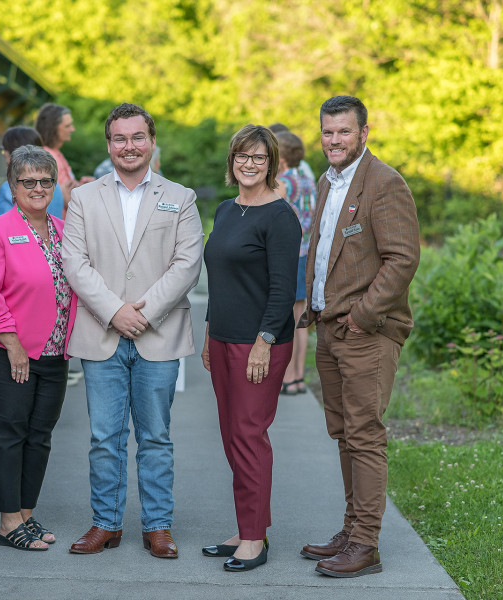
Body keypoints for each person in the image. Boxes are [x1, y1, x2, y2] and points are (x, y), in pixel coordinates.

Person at [62, 102, 203, 559]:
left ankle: (157, 526)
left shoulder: (180, 197)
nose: (129, 146)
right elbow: (74, 263)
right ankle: (106, 523)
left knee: (156, 437)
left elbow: (187, 263)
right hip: (101, 334)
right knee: (104, 437)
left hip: (157, 334)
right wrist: (113, 312)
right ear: (109, 144)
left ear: (151, 140)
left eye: (137, 137)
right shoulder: (83, 198)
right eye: (119, 138)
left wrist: (144, 313)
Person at [297, 96, 420, 577]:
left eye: (343, 132)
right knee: (345, 434)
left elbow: (402, 260)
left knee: (364, 436)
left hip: (365, 330)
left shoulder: (385, 183)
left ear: (364, 133)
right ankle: (351, 530)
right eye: (327, 132)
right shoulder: (329, 181)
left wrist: (363, 317)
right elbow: (328, 250)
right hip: (331, 328)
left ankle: (365, 544)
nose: (334, 140)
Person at [201, 125, 301, 572]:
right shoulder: (226, 210)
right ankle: (247, 527)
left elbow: (282, 291)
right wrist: (208, 334)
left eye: (258, 158)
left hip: (259, 344)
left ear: (271, 163)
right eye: (242, 155)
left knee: (249, 435)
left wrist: (263, 342)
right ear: (231, 160)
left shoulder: (280, 216)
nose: (249, 164)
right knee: (231, 435)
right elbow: (220, 282)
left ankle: (255, 539)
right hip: (222, 339)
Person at [0, 145, 77, 551]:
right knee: (8, 431)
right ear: (12, 186)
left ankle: (26, 513)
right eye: (27, 181)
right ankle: (7, 521)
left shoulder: (64, 229)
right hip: (4, 348)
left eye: (45, 181)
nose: (37, 187)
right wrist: (12, 345)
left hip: (54, 350)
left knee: (40, 433)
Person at [274, 131, 316, 395]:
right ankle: (298, 376)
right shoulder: (308, 180)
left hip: (288, 255)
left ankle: (287, 377)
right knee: (300, 318)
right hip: (306, 253)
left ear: (282, 157)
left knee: (286, 318)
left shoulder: (283, 182)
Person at [0, 127, 64, 220]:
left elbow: (2, 227)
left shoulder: (9, 187)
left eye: (3, 149)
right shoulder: (54, 185)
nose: (4, 153)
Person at [34, 103, 94, 212]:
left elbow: (67, 190)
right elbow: (65, 198)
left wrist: (80, 186)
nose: (72, 129)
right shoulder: (47, 157)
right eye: (67, 126)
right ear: (53, 129)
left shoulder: (56, 153)